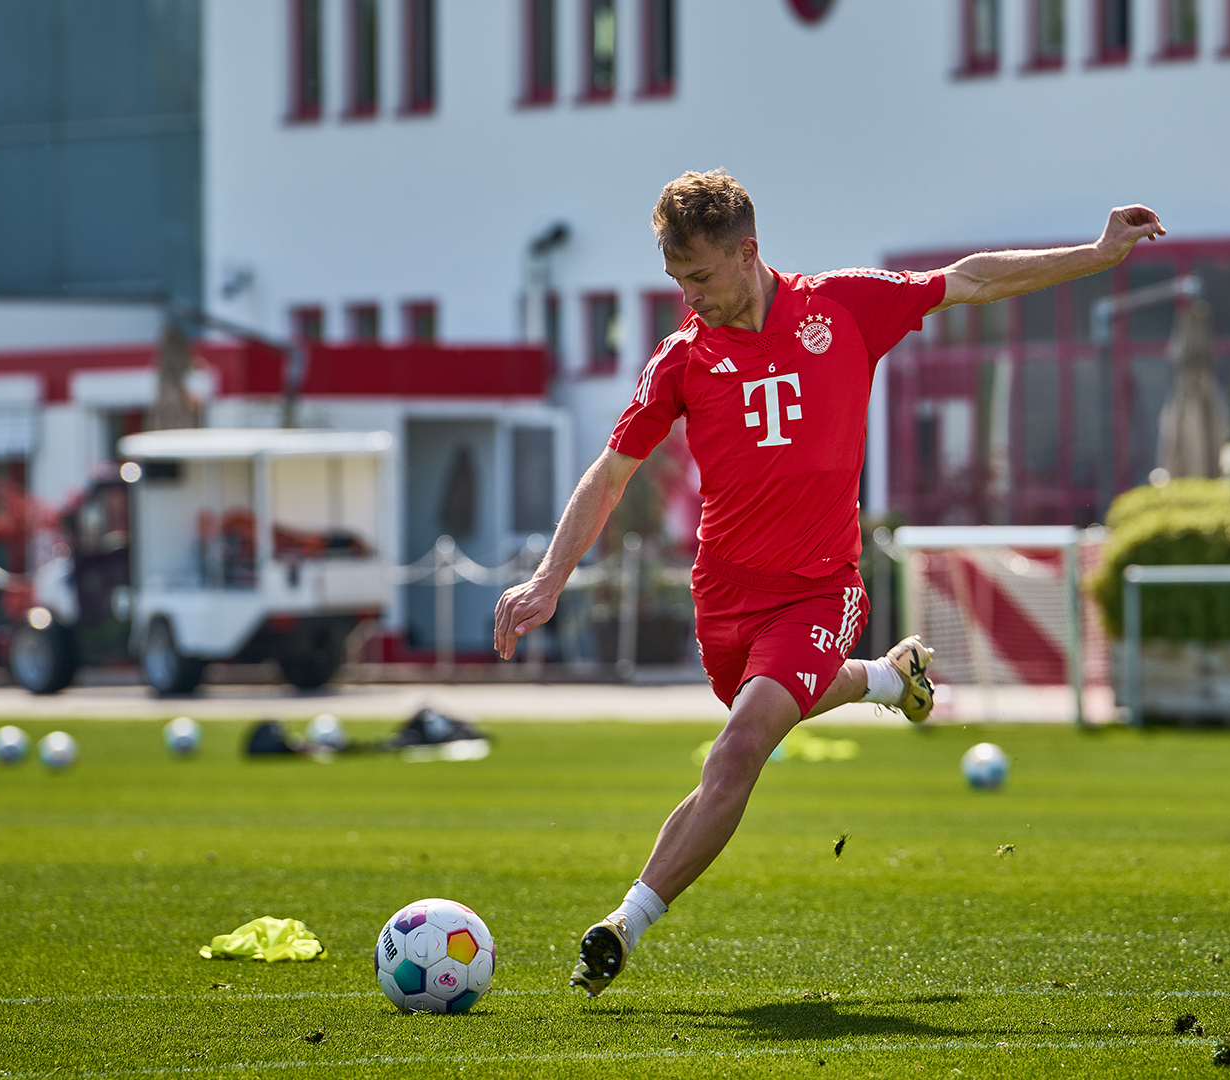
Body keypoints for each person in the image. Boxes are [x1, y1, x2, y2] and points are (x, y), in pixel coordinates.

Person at [494, 169, 1167, 995]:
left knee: (740, 746)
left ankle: (623, 926)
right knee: (757, 717)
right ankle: (888, 677)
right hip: (724, 602)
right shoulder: (682, 358)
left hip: (819, 589)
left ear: (748, 252)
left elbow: (972, 279)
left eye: (700, 277)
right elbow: (610, 475)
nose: (689, 298)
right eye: (677, 281)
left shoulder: (841, 307)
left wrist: (1096, 256)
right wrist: (549, 579)